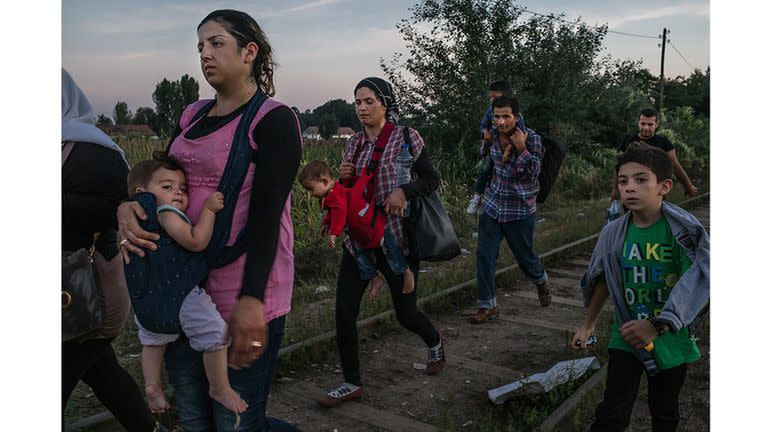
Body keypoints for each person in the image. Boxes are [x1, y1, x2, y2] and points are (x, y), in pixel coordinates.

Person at [117, 9, 301, 432]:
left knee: (237, 417)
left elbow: (267, 216)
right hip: (183, 286)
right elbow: (155, 179)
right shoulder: (191, 115)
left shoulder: (272, 119)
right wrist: (126, 206)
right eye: (200, 46)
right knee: (194, 413)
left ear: (249, 51)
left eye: (216, 43)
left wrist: (252, 300)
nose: (205, 54)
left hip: (244, 283)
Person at [318, 77, 446, 408]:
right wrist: (344, 180)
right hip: (359, 242)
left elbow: (432, 179)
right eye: (357, 102)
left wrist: (405, 191)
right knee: (344, 312)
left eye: (368, 101)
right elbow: (347, 195)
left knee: (405, 315)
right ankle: (351, 382)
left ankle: (434, 340)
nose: (361, 108)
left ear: (385, 104)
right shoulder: (354, 144)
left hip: (397, 240)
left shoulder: (406, 137)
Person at [572, 143, 709, 431]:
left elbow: (695, 284)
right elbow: (606, 281)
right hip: (626, 337)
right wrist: (588, 325)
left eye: (641, 179)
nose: (629, 188)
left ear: (665, 186)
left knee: (664, 411)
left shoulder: (681, 233)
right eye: (623, 181)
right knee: (611, 413)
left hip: (671, 339)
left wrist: (657, 326)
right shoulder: (614, 234)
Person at [62, 68, 164, 432]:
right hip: (70, 300)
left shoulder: (94, 152)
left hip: (89, 296)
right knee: (103, 373)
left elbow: (115, 211)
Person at [125, 154, 248, 415]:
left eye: (182, 189)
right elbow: (196, 241)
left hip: (146, 302)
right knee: (215, 334)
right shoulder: (164, 211)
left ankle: (152, 386)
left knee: (152, 340)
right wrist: (208, 210)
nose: (178, 194)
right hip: (179, 293)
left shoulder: (134, 222)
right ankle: (220, 387)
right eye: (167, 187)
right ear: (142, 193)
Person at [471, 95, 550, 324]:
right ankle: (488, 305)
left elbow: (533, 173)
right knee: (484, 256)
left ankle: (540, 279)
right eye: (497, 117)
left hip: (519, 211)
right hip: (493, 206)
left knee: (525, 258)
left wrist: (521, 148)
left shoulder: (532, 139)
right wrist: (486, 140)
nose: (501, 122)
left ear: (516, 116)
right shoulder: (493, 135)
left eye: (506, 116)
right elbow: (484, 158)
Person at [298, 159, 415, 299]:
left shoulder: (335, 195)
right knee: (359, 255)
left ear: (324, 182)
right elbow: (331, 212)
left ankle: (406, 271)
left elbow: (340, 211)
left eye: (311, 189)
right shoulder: (330, 195)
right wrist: (325, 224)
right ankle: (374, 279)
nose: (310, 194)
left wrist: (334, 233)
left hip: (373, 226)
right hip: (359, 232)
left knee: (391, 248)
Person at [611, 107, 698, 201]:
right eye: (643, 123)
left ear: (656, 125)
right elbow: (619, 166)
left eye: (650, 124)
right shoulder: (628, 140)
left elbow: (675, 166)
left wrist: (688, 185)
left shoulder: (663, 142)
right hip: (633, 189)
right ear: (638, 123)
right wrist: (615, 189)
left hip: (655, 192)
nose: (645, 128)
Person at [466, 80, 526, 214]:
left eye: (495, 96)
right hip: (494, 148)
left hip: (509, 151)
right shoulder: (490, 111)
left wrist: (509, 150)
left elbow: (521, 134)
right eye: (490, 97)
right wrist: (485, 132)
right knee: (485, 170)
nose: (491, 99)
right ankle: (476, 199)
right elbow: (483, 125)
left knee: (506, 175)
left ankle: (508, 203)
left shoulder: (517, 116)